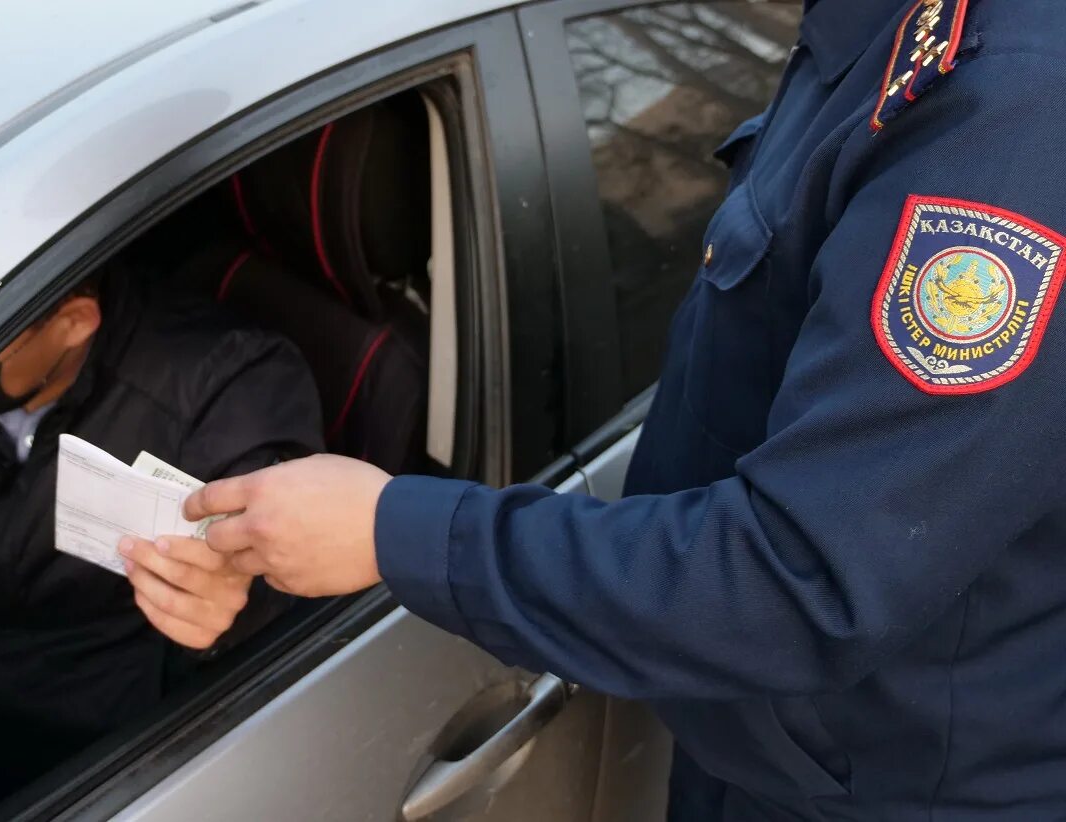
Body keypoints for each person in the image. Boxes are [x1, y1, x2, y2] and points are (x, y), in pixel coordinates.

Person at [140, 1, 1066, 819]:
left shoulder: (1011, 116)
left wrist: (396, 533)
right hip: (765, 746)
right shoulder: (878, 35)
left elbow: (800, 584)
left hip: (885, 789)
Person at [0, 271, 323, 822]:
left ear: (74, 323)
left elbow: (275, 568)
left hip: (98, 747)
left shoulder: (220, 379)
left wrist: (231, 600)